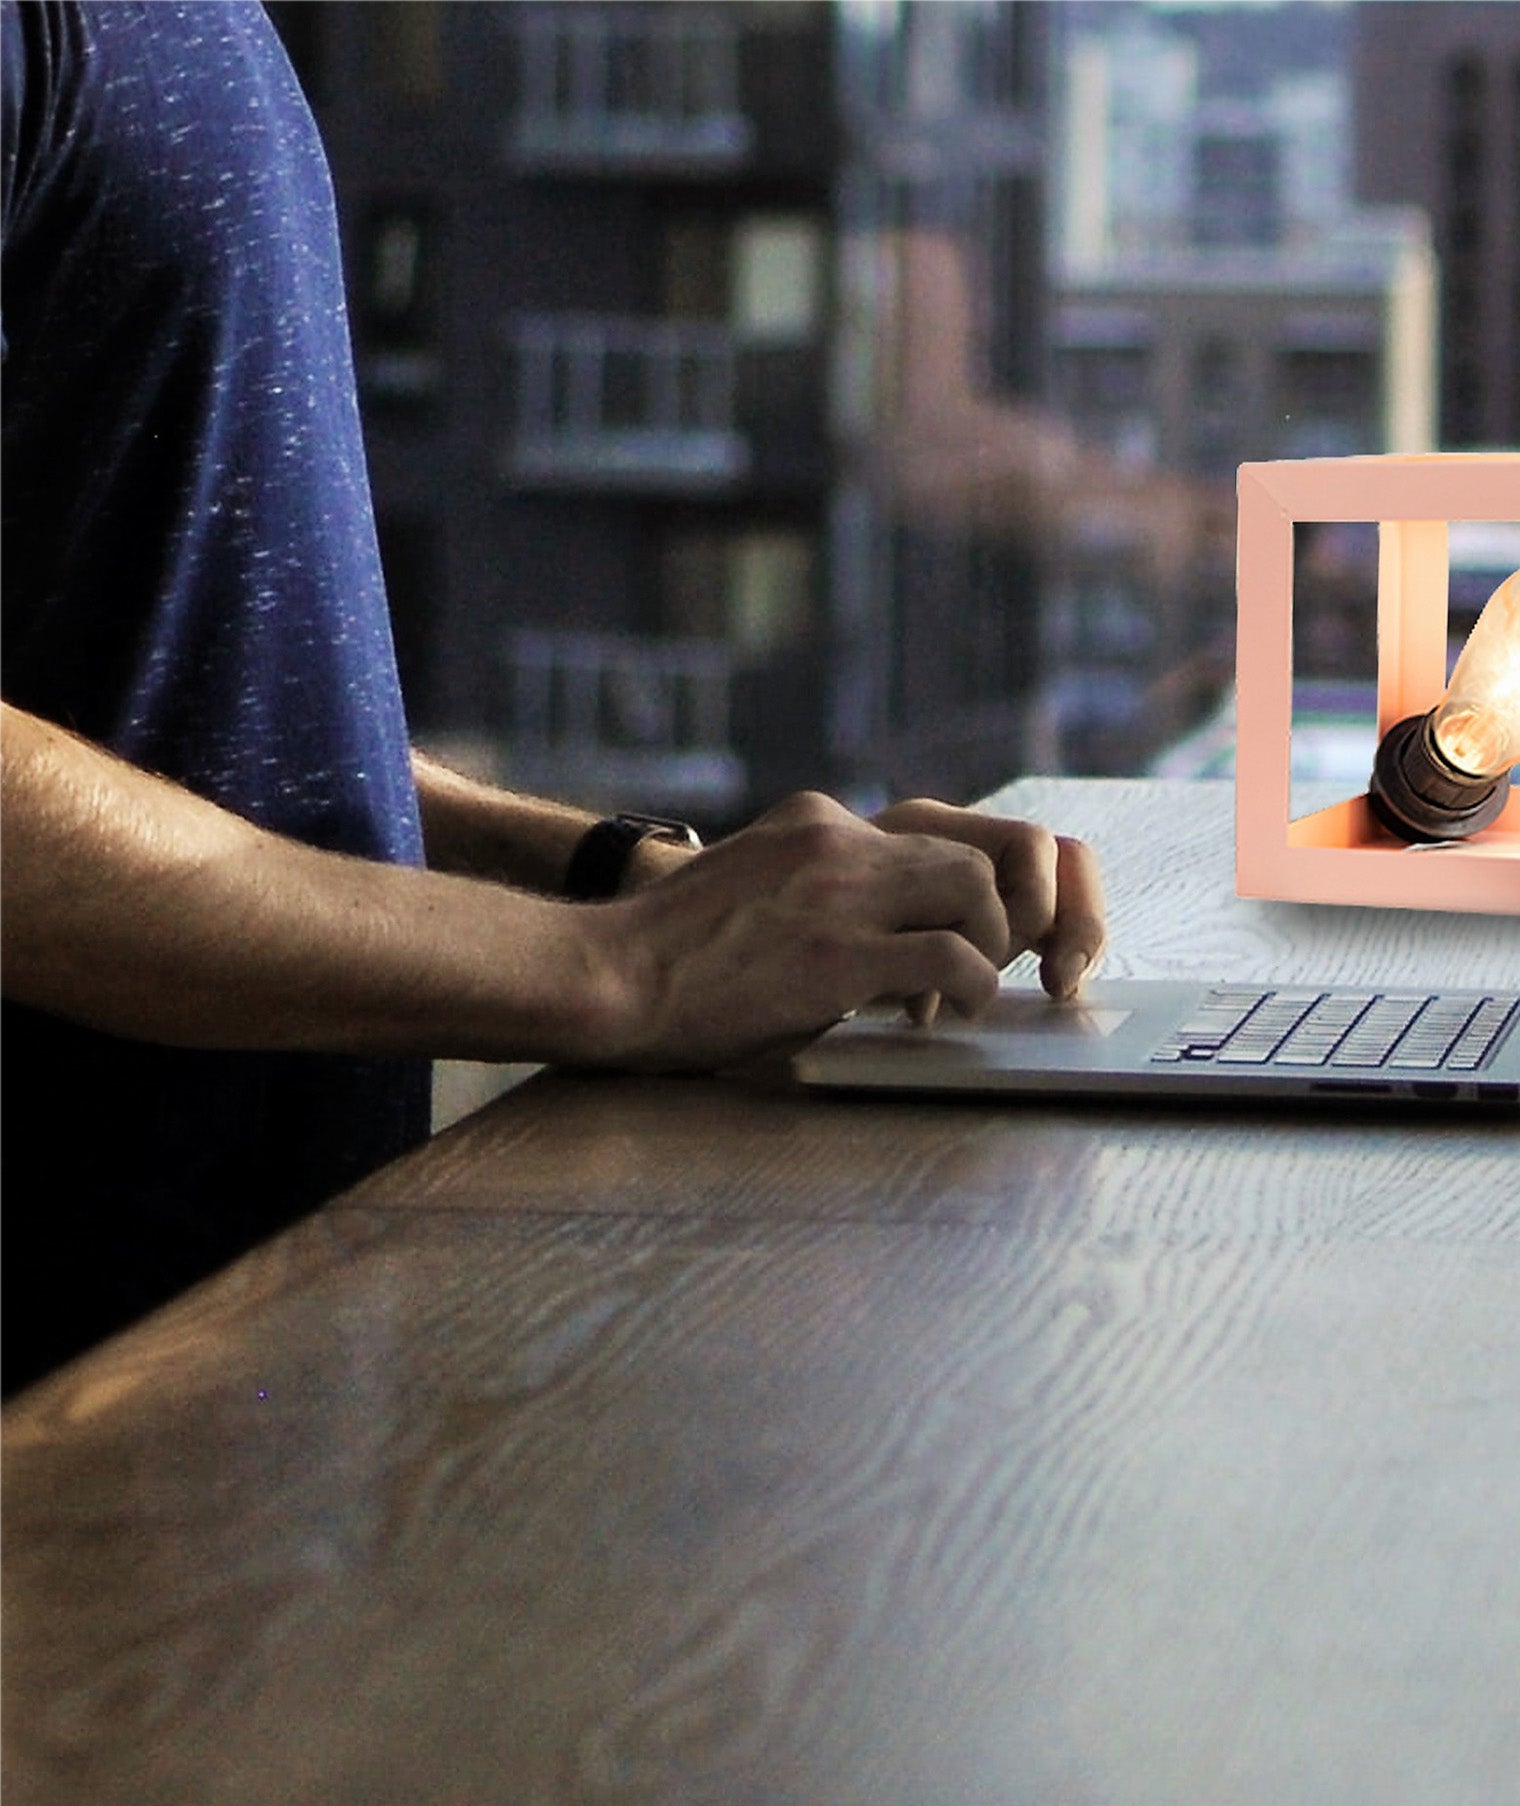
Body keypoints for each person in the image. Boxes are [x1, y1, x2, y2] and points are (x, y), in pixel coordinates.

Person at [0, 1, 1106, 1390]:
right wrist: (622, 979)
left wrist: (613, 885)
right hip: (67, 1469)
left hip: (238, 1387)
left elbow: (158, 702)